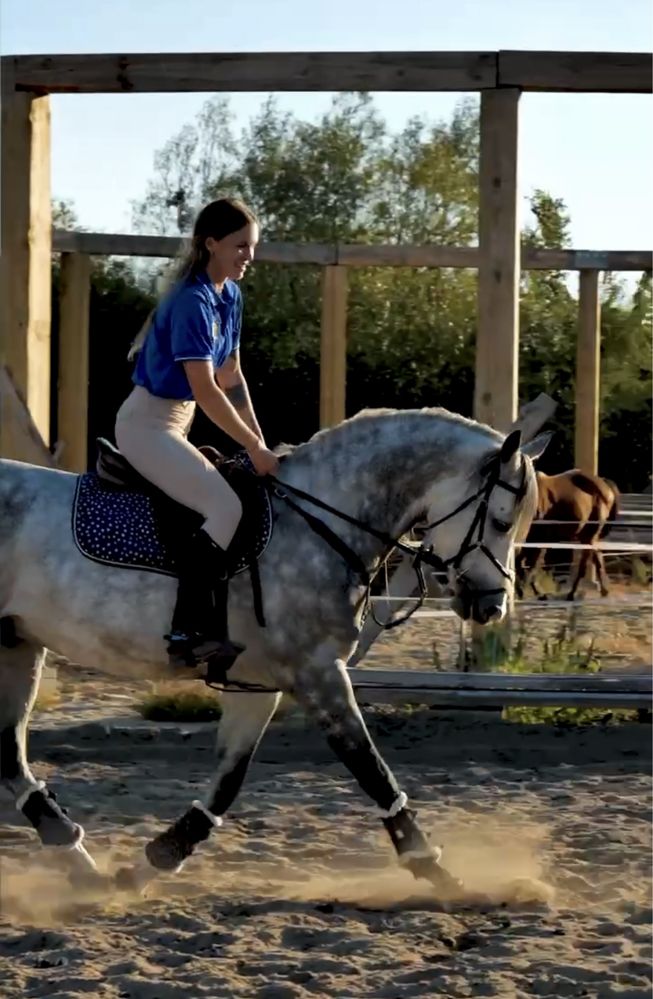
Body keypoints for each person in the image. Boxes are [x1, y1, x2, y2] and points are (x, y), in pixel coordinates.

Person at [115, 197, 279, 667]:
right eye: (240, 246)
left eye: (252, 246)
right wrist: (252, 447)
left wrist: (261, 445)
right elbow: (206, 391)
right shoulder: (193, 301)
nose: (249, 255)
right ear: (211, 244)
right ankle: (185, 635)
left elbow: (232, 377)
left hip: (176, 425)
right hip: (147, 426)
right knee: (224, 506)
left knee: (238, 496)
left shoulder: (230, 295)